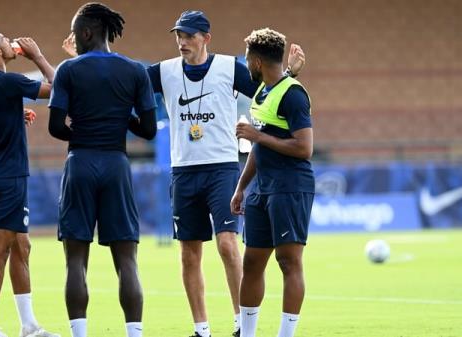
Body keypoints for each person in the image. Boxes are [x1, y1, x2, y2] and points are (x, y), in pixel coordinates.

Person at [145, 11, 304, 337]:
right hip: (183, 171)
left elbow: (270, 89)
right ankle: (201, 329)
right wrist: (84, 63)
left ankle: (238, 323)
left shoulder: (229, 68)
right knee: (189, 253)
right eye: (178, 35)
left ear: (206, 38)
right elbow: (125, 84)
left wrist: (290, 73)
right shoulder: (164, 72)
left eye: (189, 35)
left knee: (229, 245)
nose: (182, 42)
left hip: (222, 167)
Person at [49, 3, 156, 337]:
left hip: (80, 162)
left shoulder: (68, 70)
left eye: (74, 33)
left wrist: (83, 130)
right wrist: (118, 117)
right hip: (116, 164)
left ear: (86, 32)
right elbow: (150, 129)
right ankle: (134, 334)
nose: (73, 41)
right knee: (127, 260)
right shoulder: (135, 71)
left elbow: (55, 126)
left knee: (76, 261)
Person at [0, 28, 57, 337]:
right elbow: (59, 89)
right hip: (9, 175)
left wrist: (12, 115)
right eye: (4, 40)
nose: (10, 42)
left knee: (22, 246)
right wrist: (37, 56)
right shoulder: (7, 81)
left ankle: (29, 325)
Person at [230, 28, 314, 337]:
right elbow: (261, 145)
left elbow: (304, 148)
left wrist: (257, 136)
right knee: (251, 262)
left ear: (256, 61)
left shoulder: (294, 94)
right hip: (261, 188)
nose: (247, 64)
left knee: (288, 262)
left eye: (248, 59)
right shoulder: (262, 92)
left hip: (290, 186)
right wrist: (241, 187)